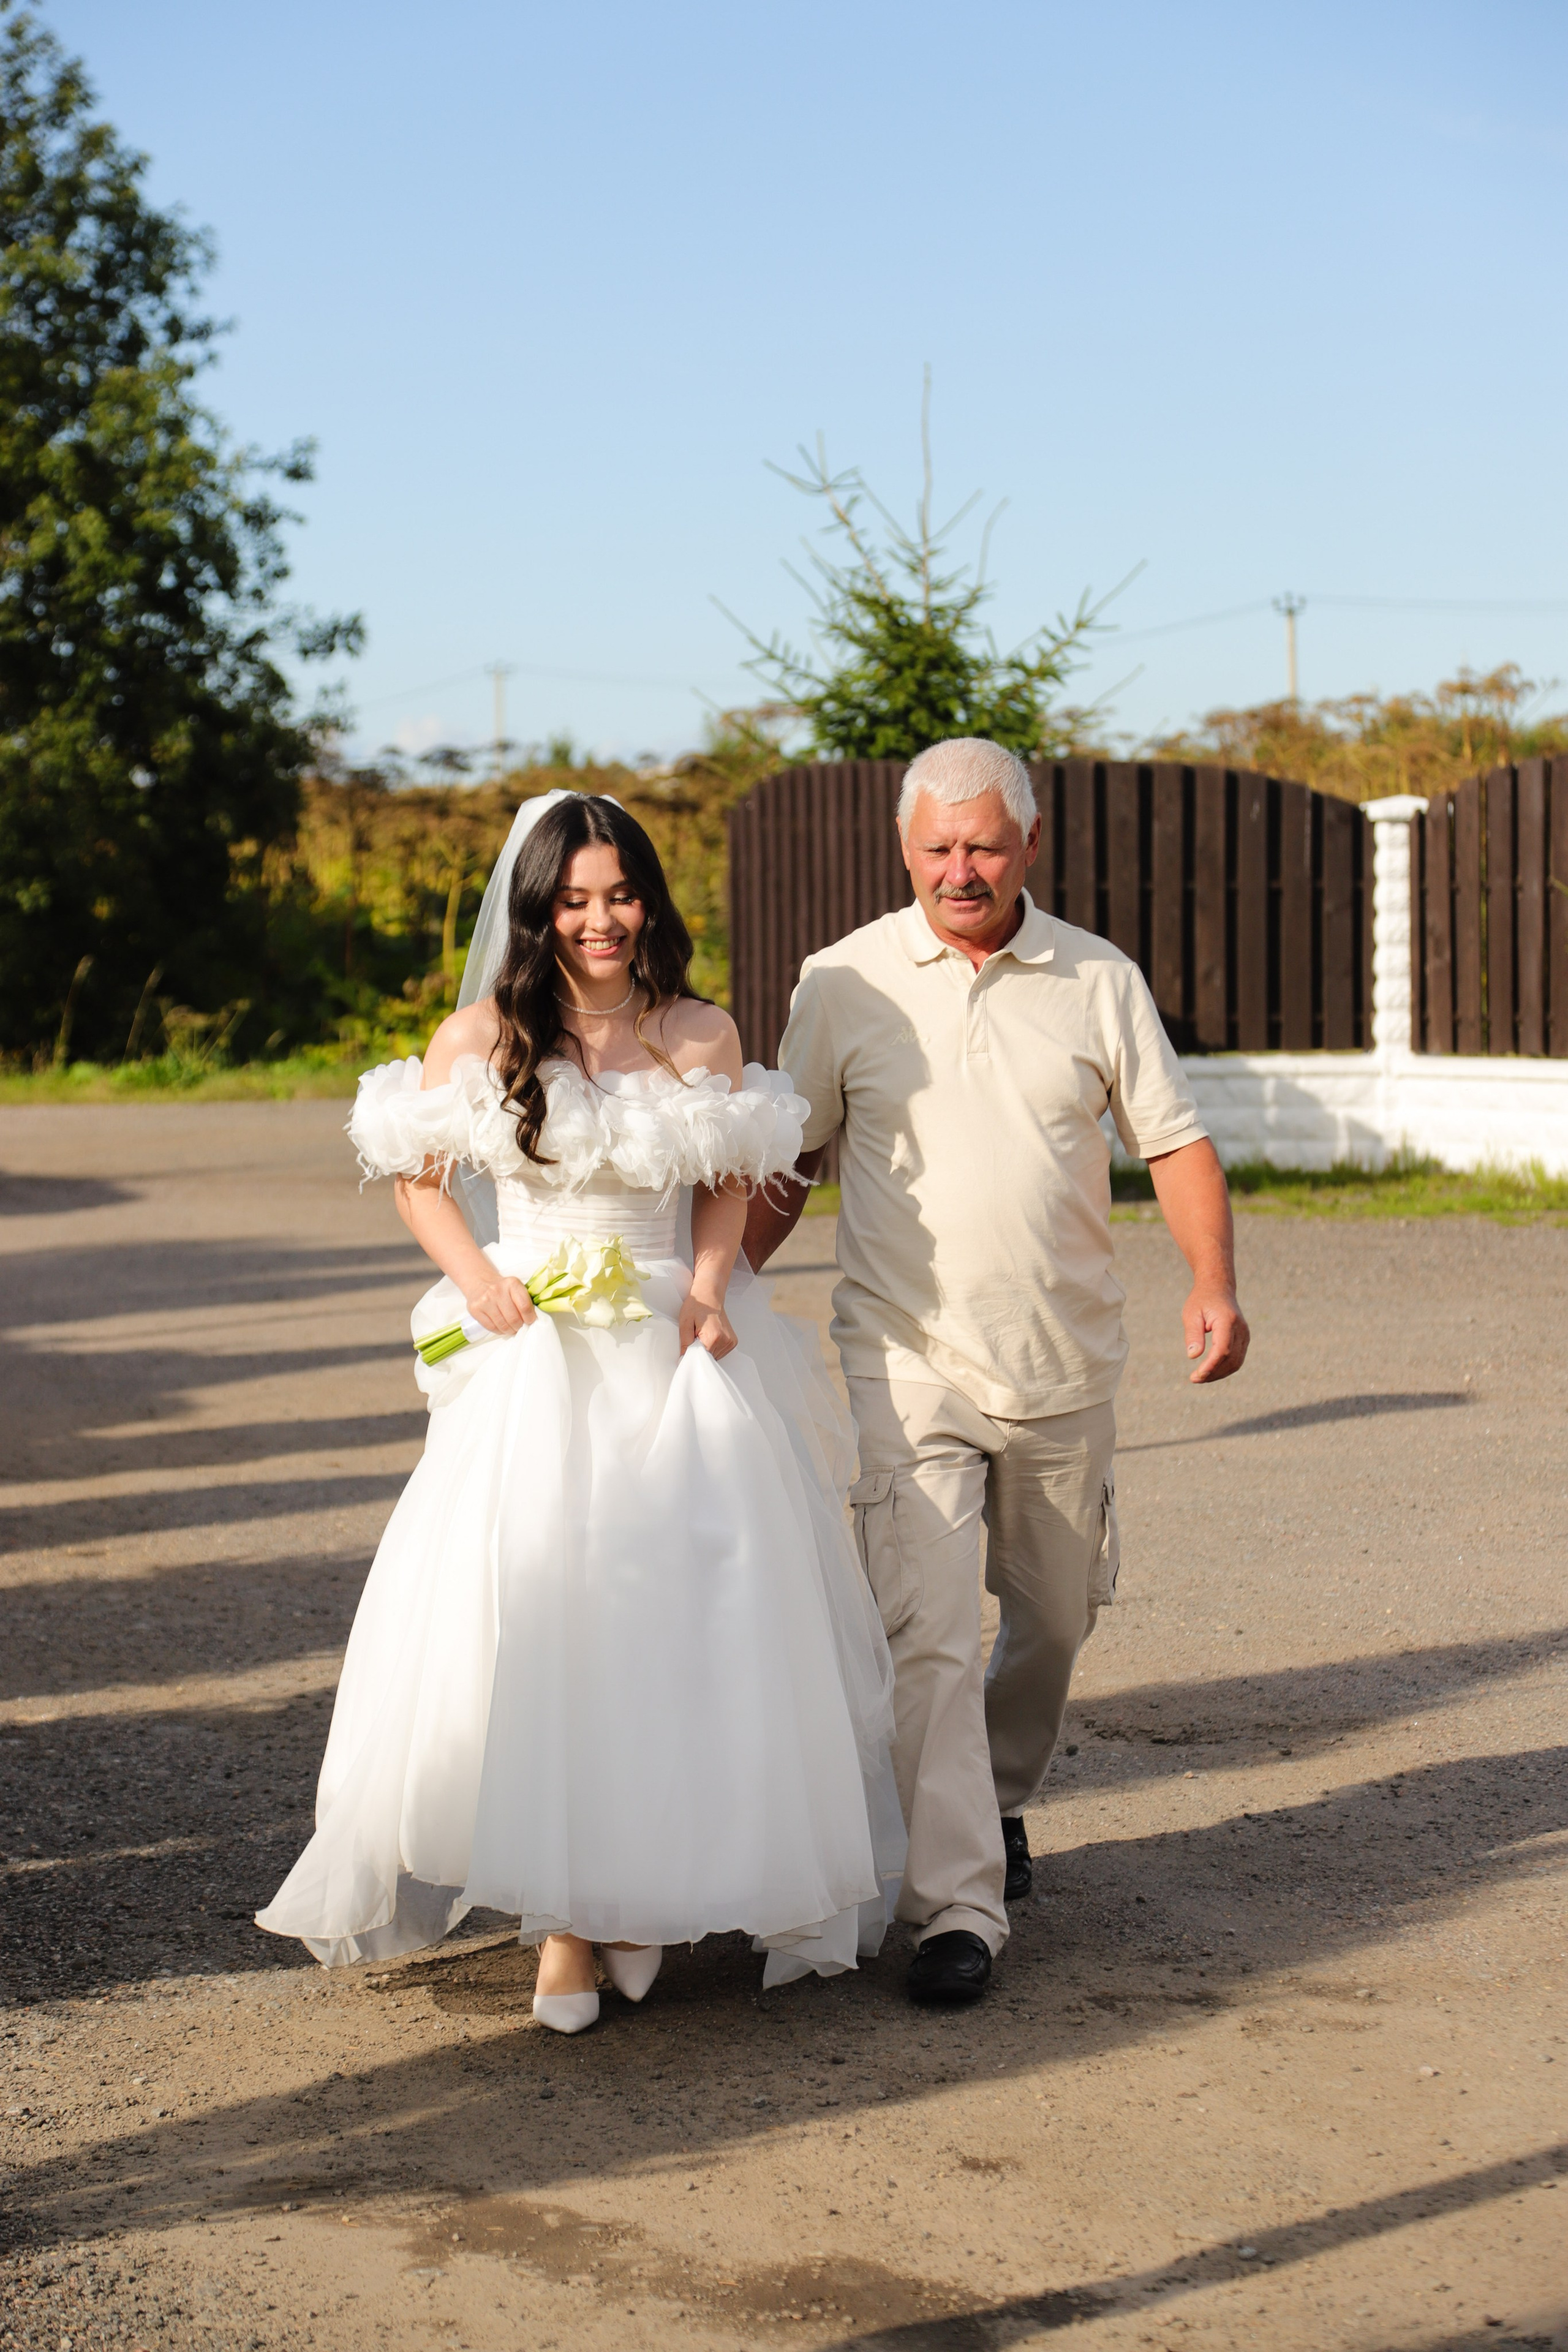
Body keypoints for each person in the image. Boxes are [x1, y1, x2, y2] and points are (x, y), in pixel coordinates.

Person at [258, 791, 904, 2032]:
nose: (600, 920)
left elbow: (729, 1182)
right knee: (548, 1619)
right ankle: (562, 1918)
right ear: (537, 910)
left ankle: (639, 1902)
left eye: (619, 896)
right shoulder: (480, 1036)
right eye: (573, 900)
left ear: (649, 901)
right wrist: (477, 1280)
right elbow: (419, 1181)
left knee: (679, 1622)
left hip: (669, 1349)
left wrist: (709, 1287)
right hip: (534, 1352)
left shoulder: (701, 1032)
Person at [743, 737, 1249, 2007]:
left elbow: (1174, 1143)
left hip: (1064, 1359)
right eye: (936, 848)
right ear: (902, 848)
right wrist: (713, 1289)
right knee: (925, 1631)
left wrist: (1212, 1282)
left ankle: (997, 1796)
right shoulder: (841, 981)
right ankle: (956, 1908)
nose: (958, 871)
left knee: (1055, 1618)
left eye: (982, 846)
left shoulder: (1097, 977)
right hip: (904, 1357)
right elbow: (789, 1162)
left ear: (1030, 845)